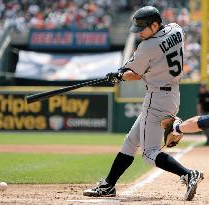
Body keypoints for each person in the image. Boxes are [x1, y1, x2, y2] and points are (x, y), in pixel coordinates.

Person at [83, 6, 203, 201]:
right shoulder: (176, 28)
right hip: (172, 94)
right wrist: (122, 72)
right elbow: (145, 62)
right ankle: (108, 185)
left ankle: (188, 174)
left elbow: (135, 74)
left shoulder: (148, 46)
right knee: (131, 141)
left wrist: (119, 76)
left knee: (149, 154)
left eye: (143, 28)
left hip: (157, 98)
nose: (139, 33)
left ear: (155, 25)